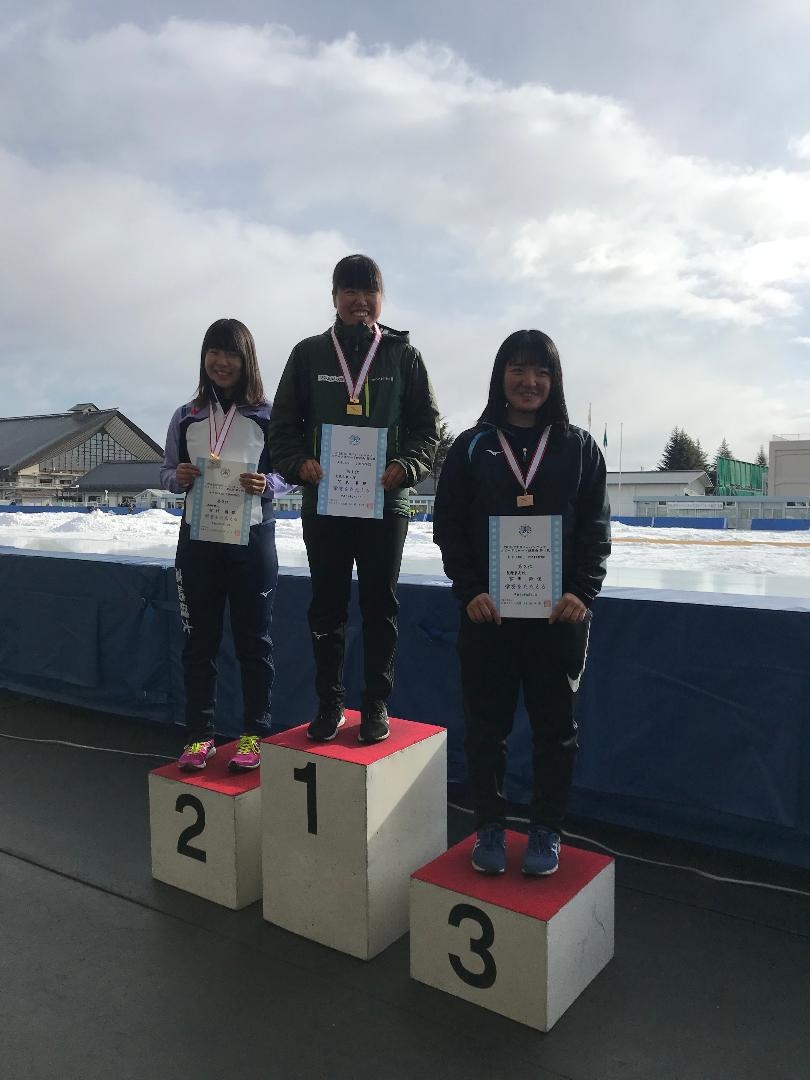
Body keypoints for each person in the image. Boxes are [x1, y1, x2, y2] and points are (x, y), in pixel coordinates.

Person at [433, 330, 610, 876]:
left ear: (554, 381)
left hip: (558, 619)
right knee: (487, 728)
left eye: (541, 372)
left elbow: (597, 529)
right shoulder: (471, 444)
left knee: (556, 730)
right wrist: (470, 591)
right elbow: (449, 528)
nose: (529, 381)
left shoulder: (579, 447)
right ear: (500, 375)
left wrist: (582, 590)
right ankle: (489, 823)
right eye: (518, 369)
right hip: (489, 615)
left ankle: (546, 829)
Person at [268, 254, 440, 744]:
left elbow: (426, 432)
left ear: (381, 299)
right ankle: (330, 702)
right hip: (325, 504)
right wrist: (299, 464)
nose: (360, 301)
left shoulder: (404, 357)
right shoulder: (307, 354)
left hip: (386, 506)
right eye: (350, 291)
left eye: (370, 291)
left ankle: (378, 703)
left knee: (380, 605)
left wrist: (406, 467)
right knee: (327, 606)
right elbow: (282, 428)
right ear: (334, 297)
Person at [161, 318, 289, 771]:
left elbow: (289, 473)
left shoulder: (269, 414)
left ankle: (256, 733)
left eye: (230, 354)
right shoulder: (187, 414)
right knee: (200, 642)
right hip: (198, 540)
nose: (221, 362)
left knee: (254, 641)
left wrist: (268, 482)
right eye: (214, 353)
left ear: (246, 360)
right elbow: (166, 472)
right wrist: (175, 478)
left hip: (252, 538)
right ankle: (200, 735)